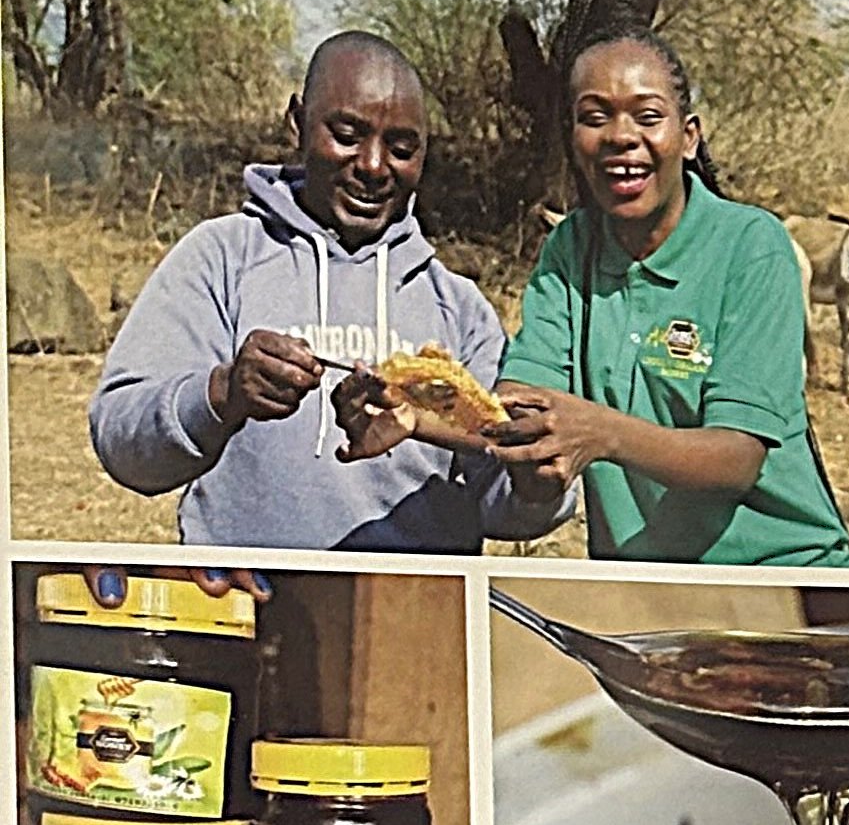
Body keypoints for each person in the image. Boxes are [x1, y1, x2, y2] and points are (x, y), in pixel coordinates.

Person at [88, 31, 559, 553]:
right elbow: (120, 440)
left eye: (401, 149)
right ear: (297, 122)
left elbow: (507, 497)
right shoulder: (223, 257)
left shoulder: (459, 308)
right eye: (347, 134)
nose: (374, 166)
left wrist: (537, 479)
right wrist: (224, 393)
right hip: (248, 600)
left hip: (412, 610)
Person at [483, 29, 849, 564]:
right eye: (595, 118)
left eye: (647, 116)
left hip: (777, 572)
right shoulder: (571, 246)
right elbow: (522, 402)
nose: (620, 137)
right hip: (640, 583)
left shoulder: (752, 247)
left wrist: (602, 434)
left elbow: (736, 458)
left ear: (689, 137)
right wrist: (417, 416)